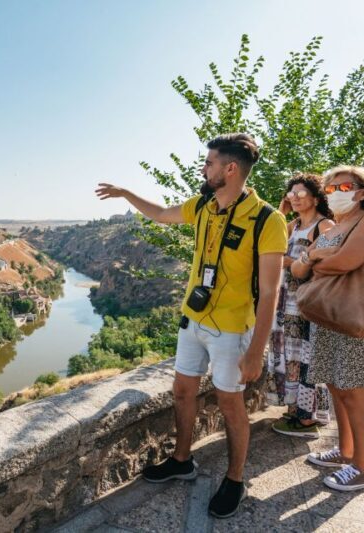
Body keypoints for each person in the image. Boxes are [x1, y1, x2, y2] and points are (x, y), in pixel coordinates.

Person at [96, 133, 287, 518]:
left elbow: (270, 293)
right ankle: (182, 460)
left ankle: (234, 479)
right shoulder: (204, 206)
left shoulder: (268, 219)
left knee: (230, 403)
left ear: (230, 169)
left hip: (234, 330)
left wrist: (255, 351)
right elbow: (163, 214)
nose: (204, 168)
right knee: (182, 391)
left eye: (210, 162)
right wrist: (126, 193)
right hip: (194, 320)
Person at [290, 165, 364, 492]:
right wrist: (320, 256)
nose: (335, 193)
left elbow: (345, 262)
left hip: (356, 316)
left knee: (356, 395)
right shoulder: (338, 225)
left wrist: (315, 256)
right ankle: (346, 452)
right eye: (330, 189)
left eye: (342, 187)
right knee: (337, 387)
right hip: (329, 315)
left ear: (362, 192)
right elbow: (298, 270)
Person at [268, 174, 335, 438]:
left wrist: (290, 261)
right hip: (286, 300)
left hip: (307, 300)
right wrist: (281, 213)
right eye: (290, 193)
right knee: (290, 354)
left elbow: (327, 259)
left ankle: (308, 418)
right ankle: (296, 408)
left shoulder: (325, 225)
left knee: (308, 355)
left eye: (300, 193)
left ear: (316, 198)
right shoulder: (292, 226)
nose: (293, 197)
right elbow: (269, 248)